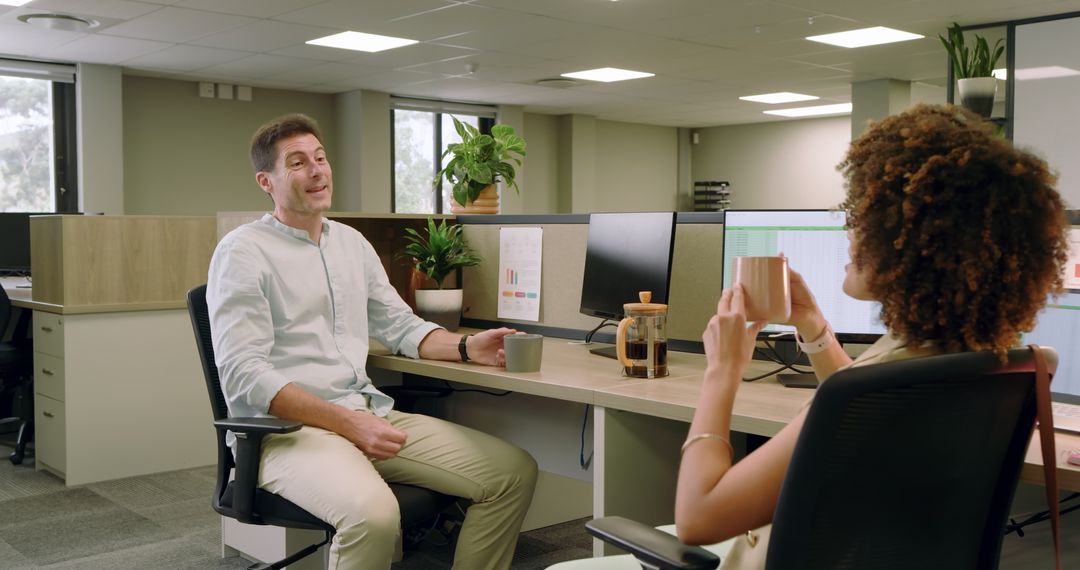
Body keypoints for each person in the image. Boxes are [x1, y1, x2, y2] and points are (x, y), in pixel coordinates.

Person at [675, 104, 1069, 562]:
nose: (850, 232)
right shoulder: (965, 359)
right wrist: (814, 327)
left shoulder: (894, 375)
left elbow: (698, 519)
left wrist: (721, 374)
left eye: (864, 218)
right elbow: (866, 403)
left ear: (912, 245)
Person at [206, 113, 538, 570]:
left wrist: (466, 347)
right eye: (298, 163)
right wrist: (347, 423)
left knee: (511, 473)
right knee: (374, 516)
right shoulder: (243, 251)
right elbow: (245, 376)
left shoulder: (352, 244)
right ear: (267, 181)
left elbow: (401, 326)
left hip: (365, 413)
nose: (317, 170)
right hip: (286, 435)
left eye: (320, 158)